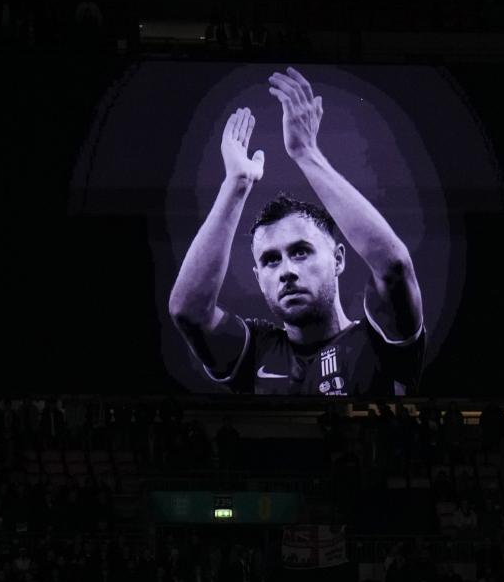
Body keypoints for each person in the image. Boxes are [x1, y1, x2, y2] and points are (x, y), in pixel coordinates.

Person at [168, 69, 426, 398]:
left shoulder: (380, 341)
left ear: (338, 259)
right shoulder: (255, 351)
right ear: (258, 276)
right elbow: (187, 311)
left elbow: (393, 267)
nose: (287, 271)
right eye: (271, 260)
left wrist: (307, 153)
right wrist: (236, 185)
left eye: (301, 251)